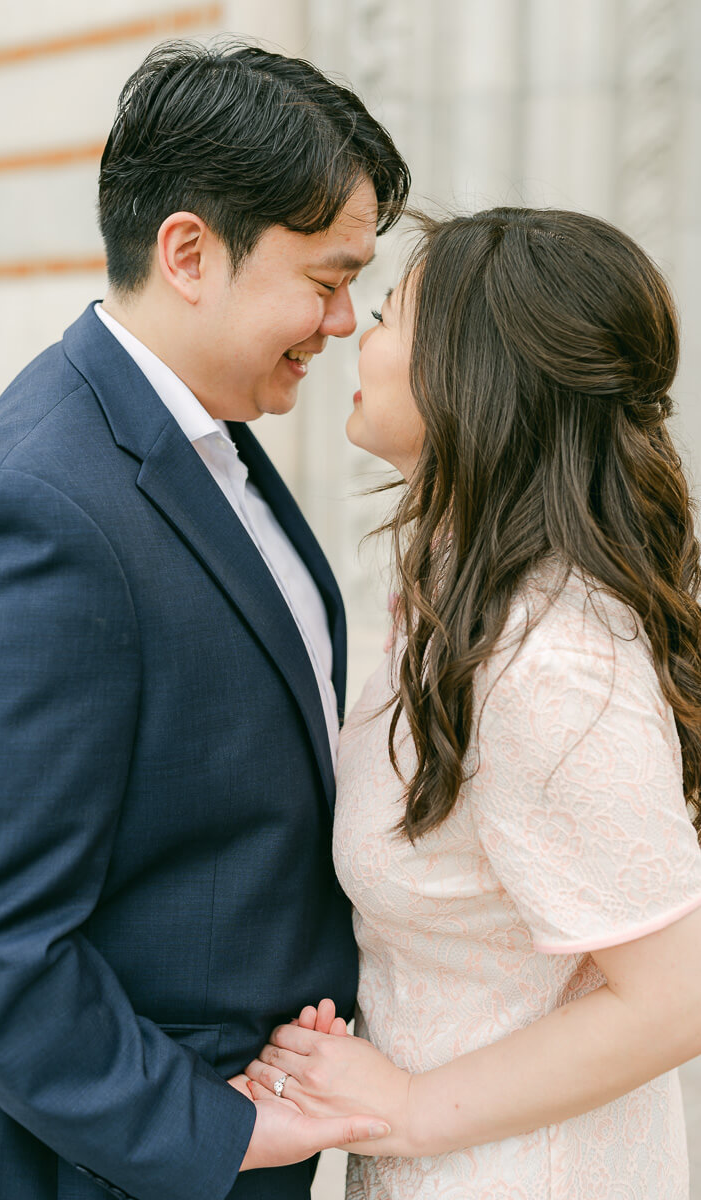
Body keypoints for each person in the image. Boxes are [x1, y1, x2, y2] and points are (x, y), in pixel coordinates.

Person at [0, 41, 410, 1200]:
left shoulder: (213, 439)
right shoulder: (43, 507)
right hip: (111, 1166)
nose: (341, 322)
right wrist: (208, 1132)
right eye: (324, 279)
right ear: (190, 253)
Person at [245, 207, 701, 1198]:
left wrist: (408, 1109)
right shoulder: (461, 610)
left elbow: (677, 999)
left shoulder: (546, 666)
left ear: (471, 371)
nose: (355, 326)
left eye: (393, 311)